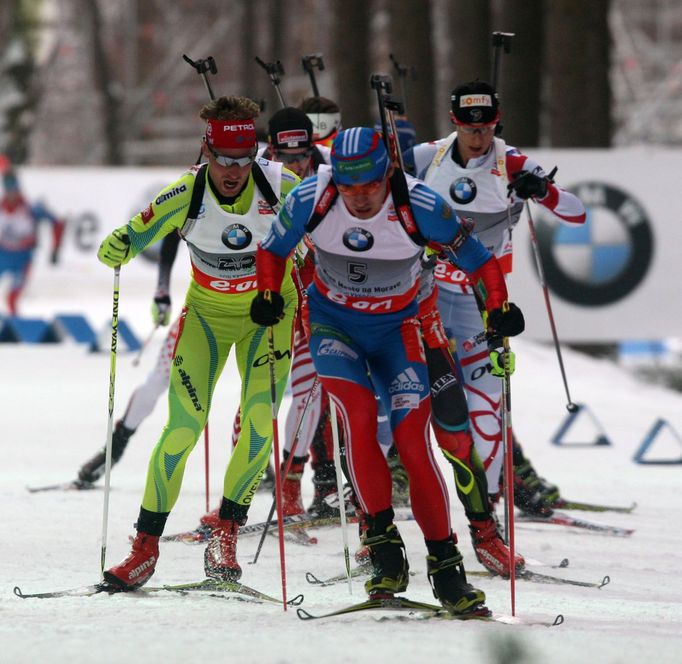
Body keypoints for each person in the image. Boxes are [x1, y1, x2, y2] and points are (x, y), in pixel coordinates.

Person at [251, 126, 525, 615]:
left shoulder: (421, 205)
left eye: (370, 186)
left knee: (415, 443)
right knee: (357, 419)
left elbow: (482, 262)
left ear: (389, 173)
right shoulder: (314, 196)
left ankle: (447, 567)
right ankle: (383, 549)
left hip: (399, 332)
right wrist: (268, 294)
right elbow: (271, 252)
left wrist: (498, 308)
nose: (359, 197)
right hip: (335, 329)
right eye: (350, 185)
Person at [97, 95, 300, 590]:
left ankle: (225, 535)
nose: (232, 172)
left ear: (256, 156)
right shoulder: (186, 193)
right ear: (206, 154)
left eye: (243, 161)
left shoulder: (284, 187)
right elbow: (129, 238)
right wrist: (117, 247)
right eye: (223, 161)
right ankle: (144, 549)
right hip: (207, 318)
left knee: (257, 423)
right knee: (183, 430)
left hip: (269, 316)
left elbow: (335, 226)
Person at [408, 81, 586, 527]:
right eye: (469, 128)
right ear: (455, 123)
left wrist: (540, 190)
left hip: (480, 300)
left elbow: (577, 211)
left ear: (495, 122)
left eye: (485, 127)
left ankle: (486, 520)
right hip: (425, 294)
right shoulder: (427, 157)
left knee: (488, 407)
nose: (478, 137)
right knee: (406, 399)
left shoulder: (513, 162)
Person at [0, 168, 64, 315]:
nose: (12, 195)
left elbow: (57, 223)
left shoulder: (31, 209)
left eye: (14, 190)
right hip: (2, 257)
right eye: (8, 190)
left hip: (22, 261)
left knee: (11, 299)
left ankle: (15, 330)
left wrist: (55, 248)